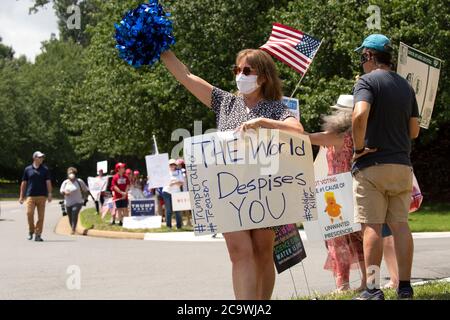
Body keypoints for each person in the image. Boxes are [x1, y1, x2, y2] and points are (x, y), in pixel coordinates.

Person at [161, 48, 303, 300]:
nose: (240, 75)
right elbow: (186, 76)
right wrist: (161, 49)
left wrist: (264, 123)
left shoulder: (276, 108)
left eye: (246, 70)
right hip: (228, 190)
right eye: (237, 70)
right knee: (239, 252)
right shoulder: (224, 102)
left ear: (264, 76)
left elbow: (297, 130)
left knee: (261, 252)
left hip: (265, 190)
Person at [352, 34, 420, 300]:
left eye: (362, 57)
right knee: (401, 225)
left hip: (372, 165)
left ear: (370, 55)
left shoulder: (366, 82)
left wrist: (358, 149)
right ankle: (404, 287)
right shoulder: (406, 87)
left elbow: (359, 115)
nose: (362, 62)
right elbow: (413, 131)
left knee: (372, 226)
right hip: (402, 165)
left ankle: (372, 288)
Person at [308, 95, 366, 292]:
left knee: (337, 240)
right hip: (356, 188)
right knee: (360, 239)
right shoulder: (359, 135)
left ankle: (343, 284)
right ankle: (368, 282)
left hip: (338, 192)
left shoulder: (338, 136)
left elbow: (308, 137)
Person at [19, 151, 52, 242]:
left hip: (42, 196)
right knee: (29, 214)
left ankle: (38, 234)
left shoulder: (45, 169)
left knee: (41, 217)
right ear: (34, 158)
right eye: (40, 157)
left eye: (42, 157)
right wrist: (21, 196)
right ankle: (31, 231)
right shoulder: (27, 169)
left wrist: (49, 194)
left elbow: (48, 182)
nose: (41, 159)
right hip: (30, 196)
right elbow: (24, 183)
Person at [60, 167, 89, 235]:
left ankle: (73, 229)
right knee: (70, 217)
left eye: (72, 173)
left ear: (74, 174)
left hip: (78, 201)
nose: (71, 174)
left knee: (74, 212)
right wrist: (65, 193)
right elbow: (61, 191)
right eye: (69, 173)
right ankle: (73, 227)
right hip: (68, 203)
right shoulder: (65, 182)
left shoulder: (79, 181)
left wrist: (86, 198)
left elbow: (86, 189)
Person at [161, 159, 185, 229]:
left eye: (173, 164)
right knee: (168, 210)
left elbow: (181, 183)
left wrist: (173, 183)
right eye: (170, 164)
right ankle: (168, 226)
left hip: (177, 193)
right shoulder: (165, 173)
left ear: (175, 165)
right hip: (167, 192)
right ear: (168, 165)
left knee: (178, 210)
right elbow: (162, 182)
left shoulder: (179, 172)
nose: (172, 166)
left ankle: (179, 226)